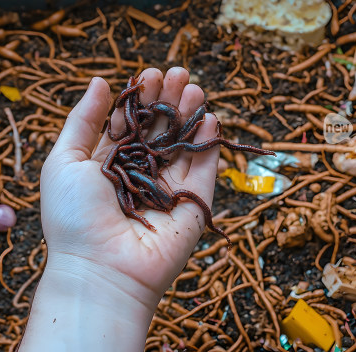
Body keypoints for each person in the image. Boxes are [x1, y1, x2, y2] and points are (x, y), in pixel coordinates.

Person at [18, 67, 222, 351]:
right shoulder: (125, 164)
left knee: (173, 143)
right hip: (136, 167)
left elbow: (132, 155)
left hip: (136, 165)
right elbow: (127, 163)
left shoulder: (129, 157)